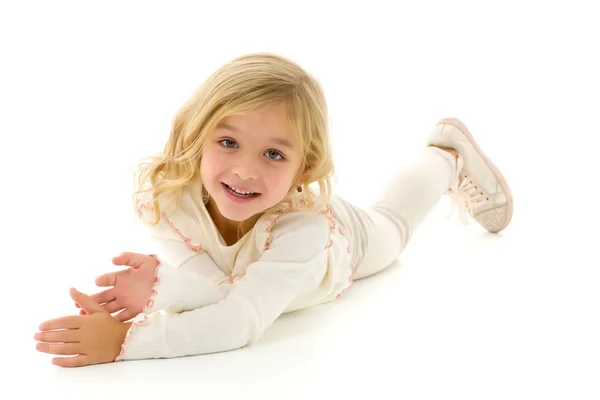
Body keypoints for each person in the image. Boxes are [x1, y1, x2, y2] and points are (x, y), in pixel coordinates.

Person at [34, 52, 513, 367]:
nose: (245, 172)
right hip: (270, 250)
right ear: (195, 136)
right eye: (228, 142)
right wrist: (164, 292)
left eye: (274, 154)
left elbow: (241, 320)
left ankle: (444, 158)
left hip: (346, 246)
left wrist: (125, 342)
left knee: (392, 223)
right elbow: (222, 288)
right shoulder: (165, 201)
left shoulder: (304, 227)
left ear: (303, 168)